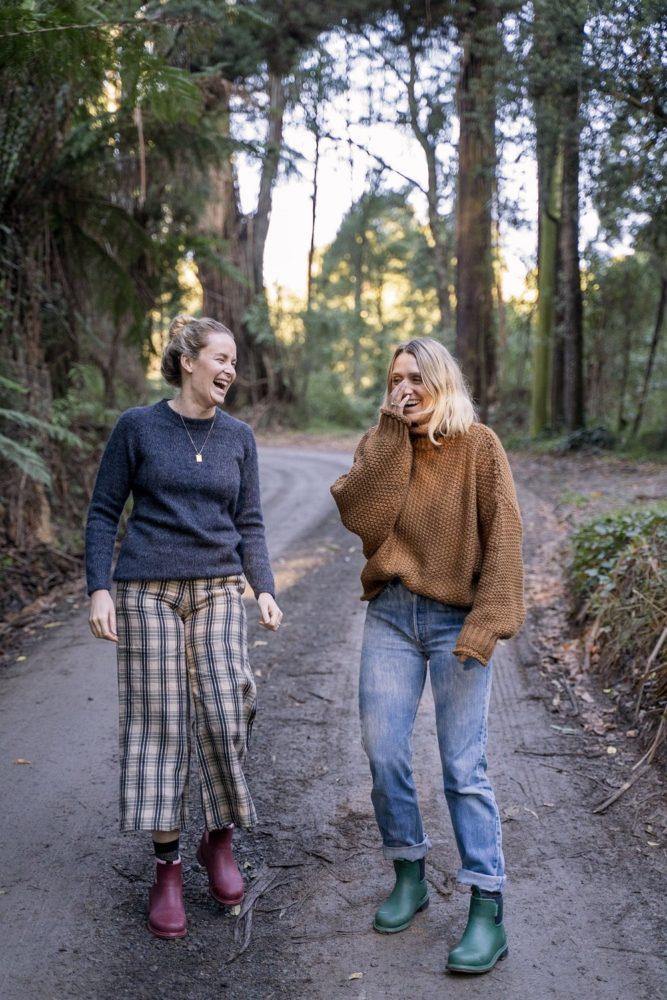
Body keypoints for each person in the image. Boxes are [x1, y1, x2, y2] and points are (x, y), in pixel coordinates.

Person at [330, 338, 525, 975]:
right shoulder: (384, 443)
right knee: (383, 749)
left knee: (463, 767)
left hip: (455, 623)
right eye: (395, 380)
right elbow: (363, 518)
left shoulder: (479, 447)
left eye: (417, 378)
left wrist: (486, 623)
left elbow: (505, 539)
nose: (405, 389)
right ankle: (408, 873)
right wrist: (390, 433)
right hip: (390, 612)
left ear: (443, 381)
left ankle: (486, 909)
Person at [85, 314, 282, 939]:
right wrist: (99, 588)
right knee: (160, 722)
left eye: (234, 361)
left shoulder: (239, 437)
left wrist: (265, 589)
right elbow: (102, 513)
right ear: (188, 359)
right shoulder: (137, 427)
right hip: (146, 591)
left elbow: (249, 521)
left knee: (227, 712)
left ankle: (217, 841)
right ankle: (167, 867)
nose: (230, 370)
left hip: (219, 588)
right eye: (220, 358)